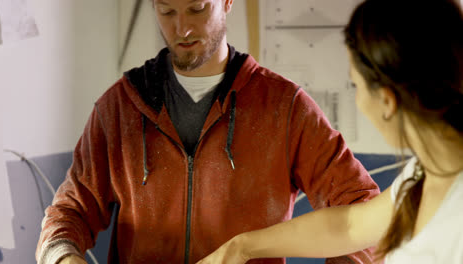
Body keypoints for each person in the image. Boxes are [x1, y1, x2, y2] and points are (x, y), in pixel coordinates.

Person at [35, 0, 380, 263]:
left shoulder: (284, 107)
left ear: (227, 2)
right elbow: (67, 215)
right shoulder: (119, 108)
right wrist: (64, 257)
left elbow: (364, 214)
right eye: (166, 11)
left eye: (197, 9)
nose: (182, 28)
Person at [196, 0, 463, 263]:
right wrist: (242, 247)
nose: (358, 101)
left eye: (355, 85)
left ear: (387, 101)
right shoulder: (424, 174)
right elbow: (350, 227)